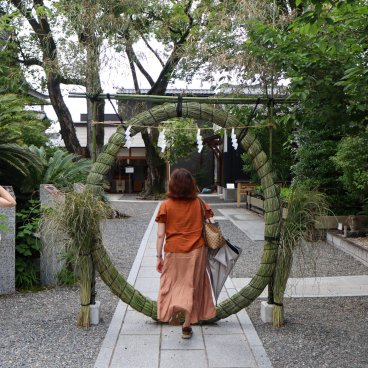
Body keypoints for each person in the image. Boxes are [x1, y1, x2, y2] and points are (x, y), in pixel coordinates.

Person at [155, 168, 216, 339]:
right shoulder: (200, 203)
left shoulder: (165, 206)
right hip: (197, 251)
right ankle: (187, 326)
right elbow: (213, 224)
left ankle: (173, 313)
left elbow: (160, 234)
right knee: (192, 285)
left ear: (172, 185)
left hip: (173, 251)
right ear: (191, 185)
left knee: (172, 284)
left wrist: (158, 256)